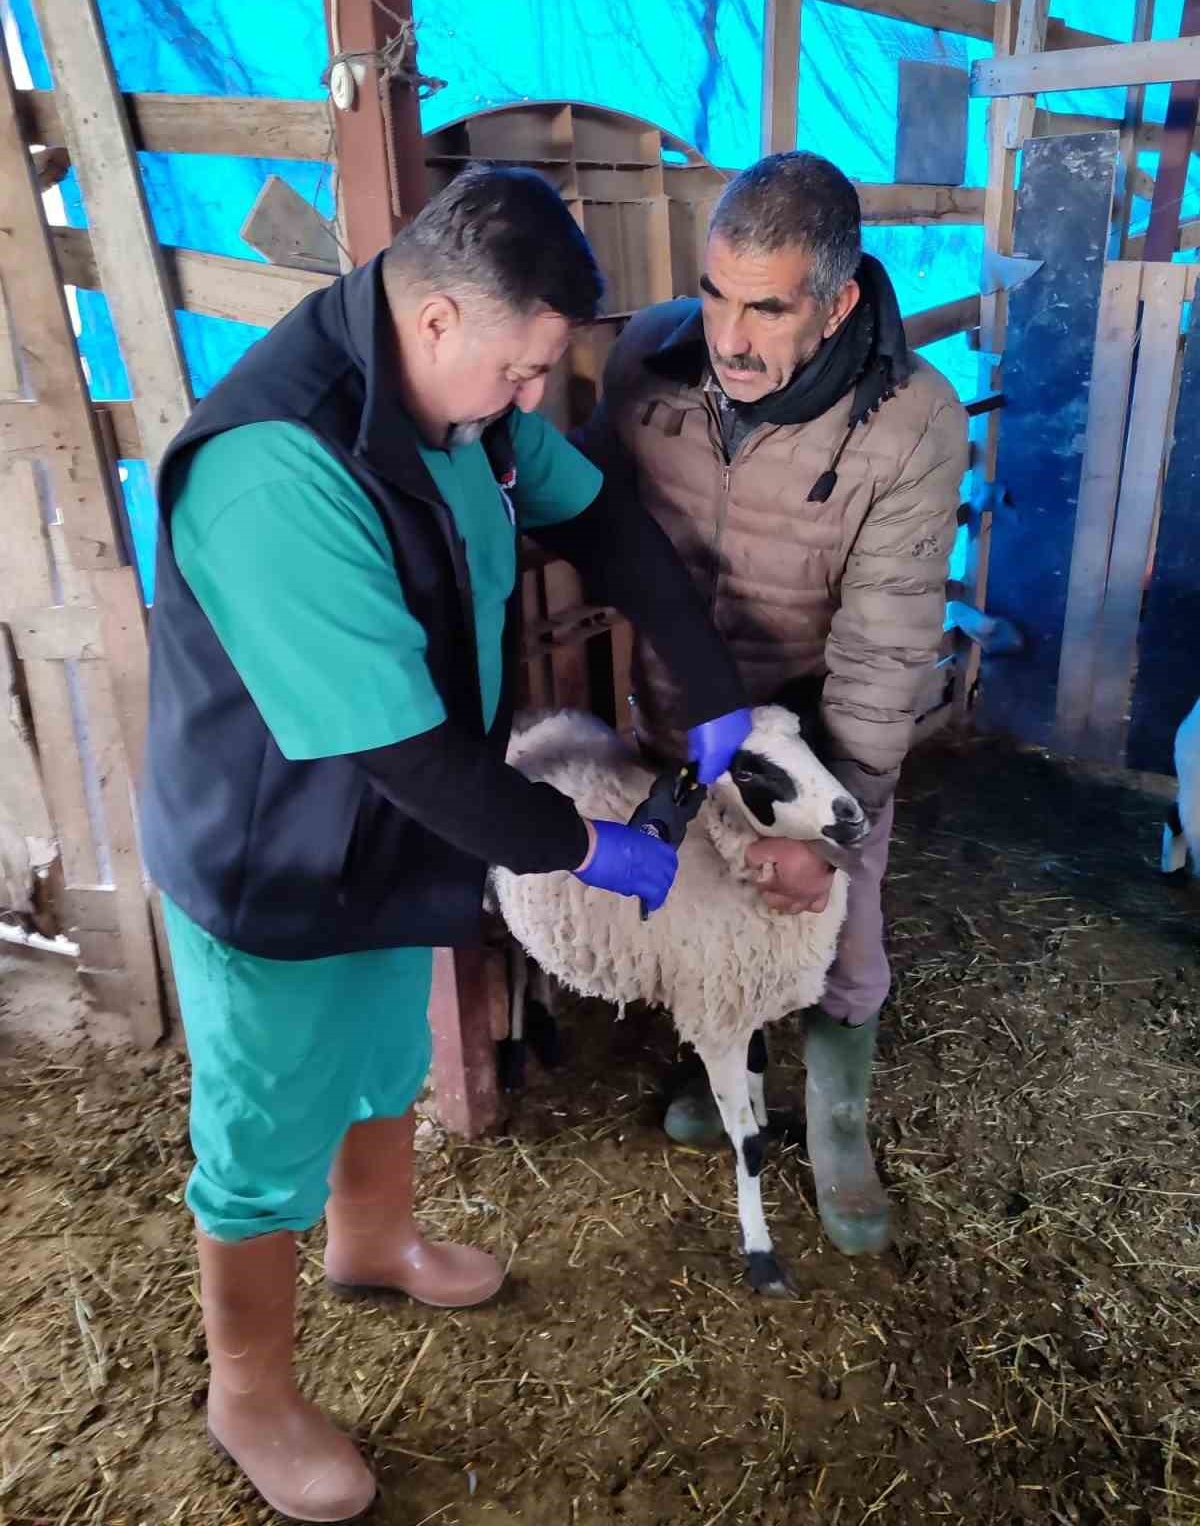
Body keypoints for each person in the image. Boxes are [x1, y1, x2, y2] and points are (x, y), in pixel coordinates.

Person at [141, 165, 751, 1523]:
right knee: (261, 1119)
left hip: (396, 822)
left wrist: (709, 681)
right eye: (523, 370)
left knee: (381, 1048)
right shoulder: (271, 471)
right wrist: (580, 848)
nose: (533, 400)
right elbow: (404, 751)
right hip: (276, 849)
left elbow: (591, 513)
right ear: (434, 322)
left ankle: (372, 1241)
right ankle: (248, 1389)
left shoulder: (463, 407)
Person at [576, 150, 968, 1261]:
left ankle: (840, 1128)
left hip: (821, 744)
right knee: (707, 915)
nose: (729, 336)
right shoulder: (647, 362)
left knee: (834, 932)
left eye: (765, 307)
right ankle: (725, 1060)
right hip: (681, 719)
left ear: (838, 302)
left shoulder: (910, 423)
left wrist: (831, 837)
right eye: (714, 293)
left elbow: (887, 646)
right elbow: (587, 510)